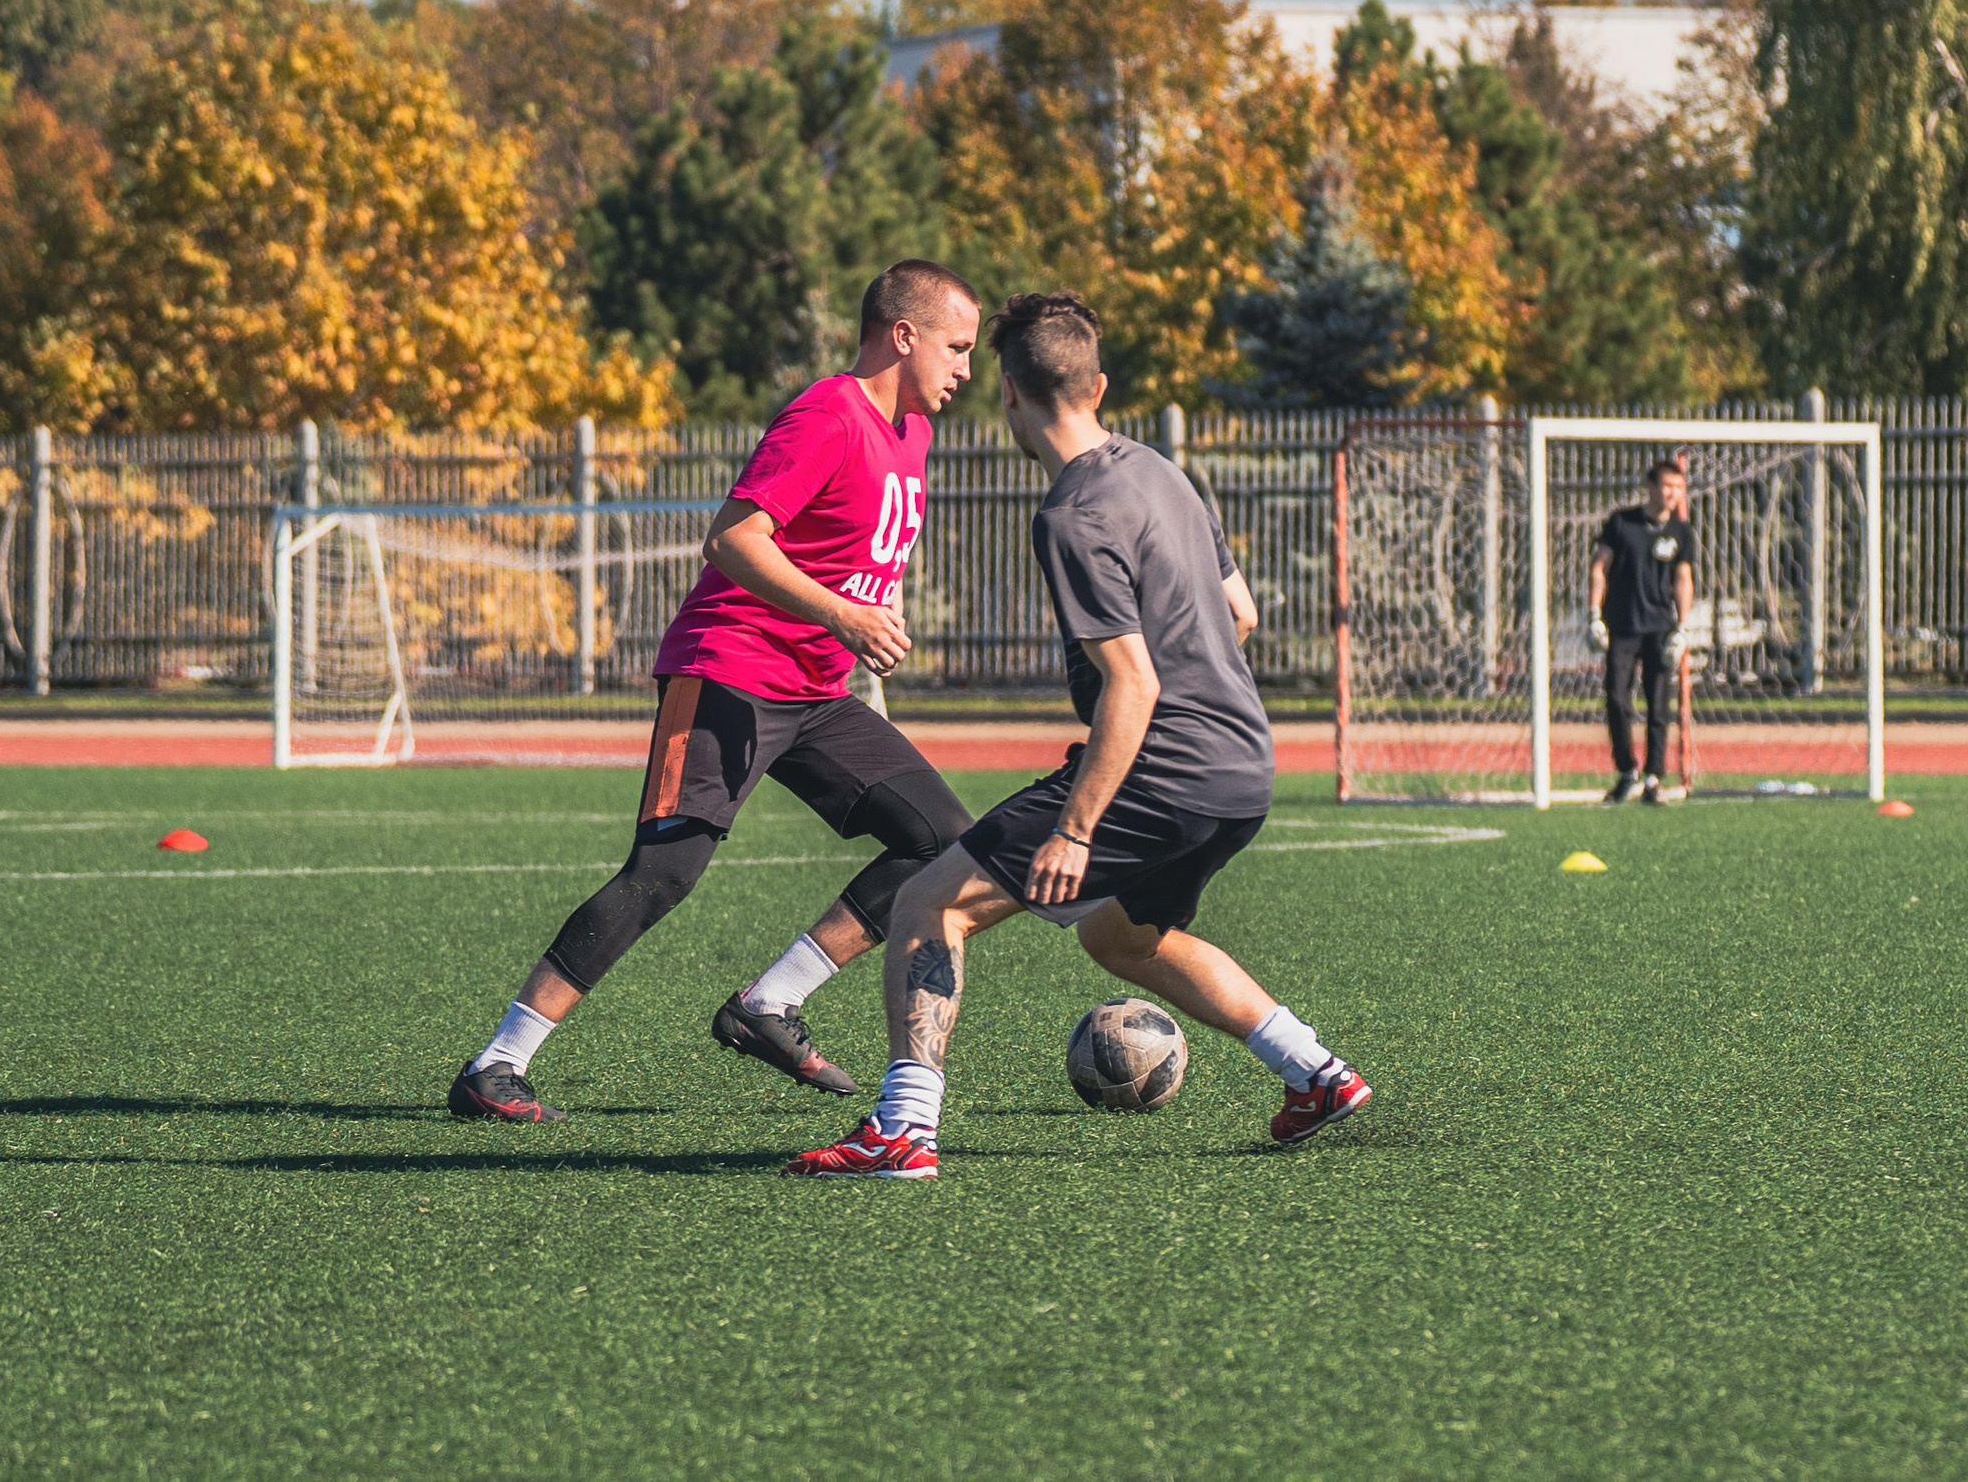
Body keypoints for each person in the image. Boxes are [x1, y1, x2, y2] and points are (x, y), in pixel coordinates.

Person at [782, 292, 1372, 1180]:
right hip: (1244, 768)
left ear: (1010, 394)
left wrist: (1078, 825)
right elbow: (1239, 613)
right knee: (1120, 937)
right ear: (1098, 385)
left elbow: (1134, 682)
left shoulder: (1072, 512)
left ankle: (902, 1131)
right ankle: (1315, 1071)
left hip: (1158, 768)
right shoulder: (1165, 473)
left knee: (926, 903)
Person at [448, 260, 983, 1123]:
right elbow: (732, 539)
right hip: (727, 669)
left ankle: (767, 1003)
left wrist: (861, 624)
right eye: (957, 347)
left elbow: (850, 555)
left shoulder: (914, 434)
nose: (966, 369)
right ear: (904, 334)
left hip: (817, 690)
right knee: (663, 871)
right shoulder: (828, 411)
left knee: (944, 840)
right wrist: (845, 615)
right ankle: (496, 1063)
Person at [1586, 457, 1696, 806]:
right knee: (1617, 700)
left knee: (1658, 705)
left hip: (1660, 629)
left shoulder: (1681, 531)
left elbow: (1683, 579)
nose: (1672, 493)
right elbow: (1599, 566)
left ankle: (1653, 778)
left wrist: (1682, 627)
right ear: (1650, 486)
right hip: (1622, 625)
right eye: (1666, 486)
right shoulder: (1622, 523)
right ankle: (1627, 772)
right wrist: (1594, 614)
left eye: (1678, 488)